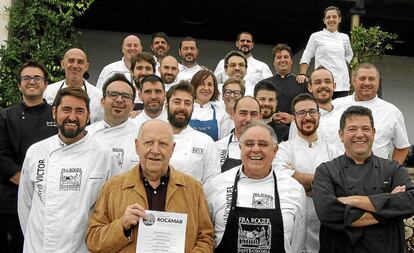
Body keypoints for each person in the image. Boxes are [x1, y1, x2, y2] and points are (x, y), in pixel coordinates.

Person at [86, 119, 214, 252]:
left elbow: (206, 238)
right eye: (148, 143)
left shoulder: (193, 189)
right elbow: (93, 241)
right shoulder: (112, 188)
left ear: (172, 149)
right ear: (137, 146)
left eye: (163, 144)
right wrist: (122, 225)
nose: (155, 150)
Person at [18, 86, 114, 252]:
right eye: (66, 110)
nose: (72, 117)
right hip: (38, 247)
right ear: (54, 112)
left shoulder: (103, 155)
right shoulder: (36, 151)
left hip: (80, 247)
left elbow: (109, 208)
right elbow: (25, 204)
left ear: (88, 115)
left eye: (79, 111)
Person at [312, 105, 414, 253]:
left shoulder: (393, 168)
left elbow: (410, 201)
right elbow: (328, 213)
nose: (359, 135)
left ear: (373, 133)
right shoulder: (326, 171)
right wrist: (389, 205)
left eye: (366, 129)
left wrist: (353, 201)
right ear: (341, 135)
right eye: (352, 129)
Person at [204, 121, 307, 253]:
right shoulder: (215, 185)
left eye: (263, 144)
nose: (256, 149)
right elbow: (205, 238)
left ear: (275, 150)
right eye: (249, 144)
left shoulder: (294, 189)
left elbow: (298, 245)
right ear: (240, 149)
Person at [0, 61, 57, 253]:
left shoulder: (57, 115)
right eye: (26, 78)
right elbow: (2, 157)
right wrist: (28, 184)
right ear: (19, 85)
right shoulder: (5, 116)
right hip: (12, 202)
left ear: (46, 84)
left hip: (52, 199)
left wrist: (46, 186)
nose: (32, 81)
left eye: (37, 78)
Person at [275, 93, 341, 252]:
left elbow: (342, 185)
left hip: (326, 228)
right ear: (294, 118)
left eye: (312, 112)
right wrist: (326, 186)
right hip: (295, 228)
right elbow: (285, 184)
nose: (307, 117)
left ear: (319, 115)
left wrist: (300, 179)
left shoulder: (335, 152)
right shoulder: (282, 150)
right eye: (301, 113)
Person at [333, 63, 410, 164]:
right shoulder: (335, 105)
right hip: (338, 175)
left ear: (378, 82)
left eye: (371, 79)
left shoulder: (392, 111)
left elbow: (402, 148)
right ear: (353, 81)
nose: (367, 83)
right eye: (362, 78)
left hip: (377, 176)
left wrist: (391, 173)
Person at [166, 81, 221, 184]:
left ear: (192, 108)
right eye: (177, 102)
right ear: (167, 104)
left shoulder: (206, 142)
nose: (182, 107)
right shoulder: (154, 138)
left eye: (187, 103)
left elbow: (212, 184)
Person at [87, 73, 139, 173]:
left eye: (126, 96)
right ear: (102, 101)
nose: (119, 100)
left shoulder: (141, 134)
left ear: (133, 105)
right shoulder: (87, 134)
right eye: (113, 95)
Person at [298, 6, 353, 99]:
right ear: (324, 20)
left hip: (341, 83)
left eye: (334, 17)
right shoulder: (315, 36)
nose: (331, 19)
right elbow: (307, 55)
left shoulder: (345, 37)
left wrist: (343, 63)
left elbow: (349, 54)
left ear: (339, 19)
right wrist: (302, 74)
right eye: (328, 17)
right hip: (321, 82)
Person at [288, 65, 344, 147]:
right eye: (318, 82)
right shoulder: (300, 119)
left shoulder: (344, 116)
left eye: (327, 81)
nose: (323, 86)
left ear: (334, 86)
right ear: (310, 87)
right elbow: (293, 150)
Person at [43, 48, 103, 123]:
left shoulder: (98, 95)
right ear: (62, 64)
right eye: (71, 61)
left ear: (86, 67)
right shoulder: (49, 91)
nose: (75, 66)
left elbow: (100, 124)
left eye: (80, 62)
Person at [256, 44, 308, 125]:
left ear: (292, 61)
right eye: (279, 57)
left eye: (286, 57)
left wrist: (292, 119)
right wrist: (269, 117)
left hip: (295, 130)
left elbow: (309, 109)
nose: (283, 60)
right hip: (268, 129)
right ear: (273, 62)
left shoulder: (302, 83)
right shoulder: (263, 84)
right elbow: (256, 109)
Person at [216, 96, 262, 172]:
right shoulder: (217, 148)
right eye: (243, 113)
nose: (248, 119)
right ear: (233, 115)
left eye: (253, 114)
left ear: (260, 117)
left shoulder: (269, 149)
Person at [189, 70, 231, 141]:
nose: (206, 88)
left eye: (210, 84)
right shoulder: (184, 109)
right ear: (194, 86)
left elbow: (223, 143)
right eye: (201, 84)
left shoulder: (222, 114)